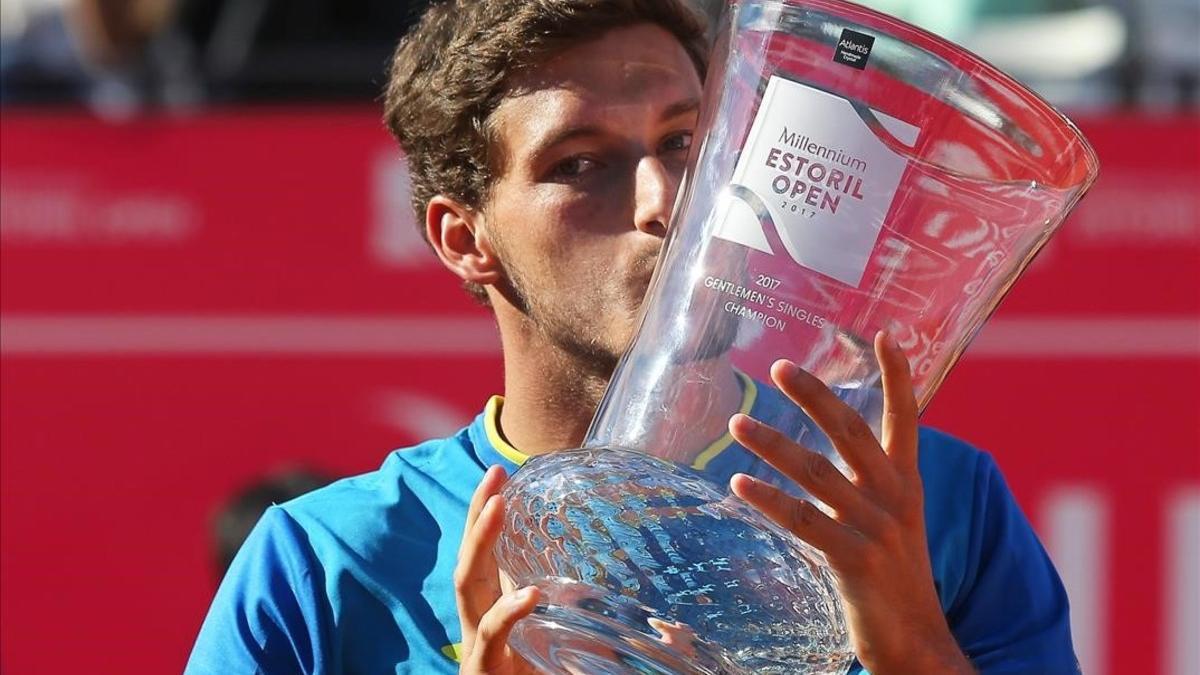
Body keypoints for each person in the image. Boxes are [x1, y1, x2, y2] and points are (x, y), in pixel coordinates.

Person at [185, 1, 1079, 673]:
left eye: (687, 143)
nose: (664, 203)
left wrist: (916, 643)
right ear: (468, 240)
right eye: (580, 164)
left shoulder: (924, 503)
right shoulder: (324, 563)